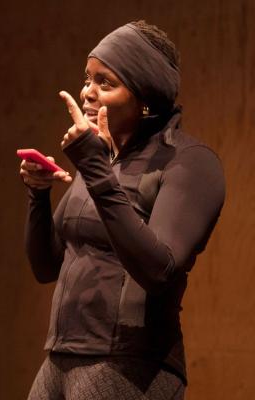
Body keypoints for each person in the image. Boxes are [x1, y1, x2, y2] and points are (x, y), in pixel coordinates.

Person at [19, 20, 225, 400]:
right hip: (61, 359)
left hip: (130, 366)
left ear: (145, 97)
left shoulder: (189, 163)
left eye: (105, 83)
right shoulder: (102, 161)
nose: (87, 93)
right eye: (87, 79)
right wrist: (38, 195)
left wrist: (94, 168)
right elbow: (45, 267)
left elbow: (158, 269)